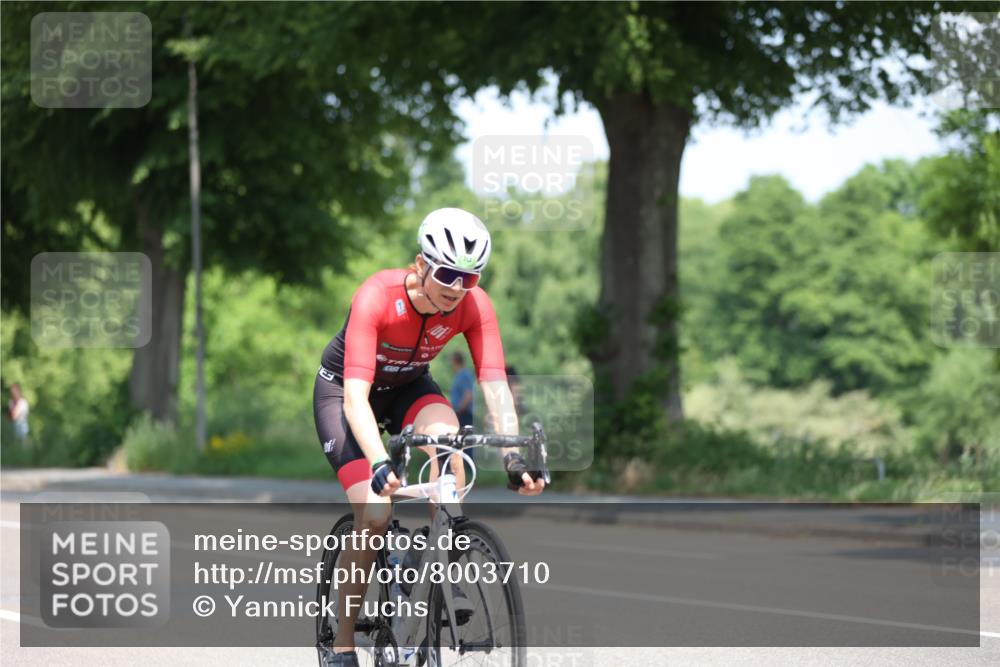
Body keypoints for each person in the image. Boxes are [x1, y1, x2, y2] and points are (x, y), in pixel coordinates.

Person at [313, 207, 546, 666]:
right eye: (446, 273)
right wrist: (380, 463)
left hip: (409, 387)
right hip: (345, 393)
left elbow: (495, 384)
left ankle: (443, 574)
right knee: (376, 515)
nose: (456, 288)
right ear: (420, 264)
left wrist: (514, 459)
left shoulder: (473, 306)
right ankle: (342, 642)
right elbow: (355, 399)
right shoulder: (376, 297)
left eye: (469, 278)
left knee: (450, 441)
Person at [450, 352, 475, 428]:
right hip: (462, 414)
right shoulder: (459, 375)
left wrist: (458, 410)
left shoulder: (464, 375)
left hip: (464, 414)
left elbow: (468, 395)